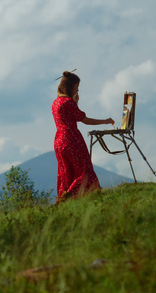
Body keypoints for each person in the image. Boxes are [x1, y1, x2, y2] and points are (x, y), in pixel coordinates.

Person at [52, 71, 114, 202]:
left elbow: (70, 115)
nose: (77, 90)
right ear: (70, 87)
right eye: (76, 87)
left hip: (59, 140)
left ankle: (63, 200)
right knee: (85, 172)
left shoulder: (56, 102)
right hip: (72, 138)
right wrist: (105, 121)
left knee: (66, 173)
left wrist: (74, 103)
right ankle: (69, 196)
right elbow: (84, 119)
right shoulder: (68, 102)